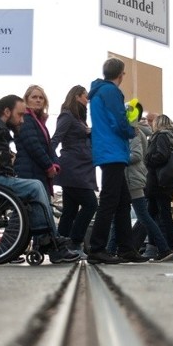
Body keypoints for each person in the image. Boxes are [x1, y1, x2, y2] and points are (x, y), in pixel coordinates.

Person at [0, 94, 79, 264]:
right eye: (20, 115)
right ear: (7, 112)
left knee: (34, 195)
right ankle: (50, 241)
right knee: (35, 186)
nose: (22, 120)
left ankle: (49, 242)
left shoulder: (0, 129)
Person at [85, 57, 144, 265]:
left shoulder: (98, 92)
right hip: (113, 151)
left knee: (122, 202)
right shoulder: (111, 91)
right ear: (122, 74)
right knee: (110, 201)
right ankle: (98, 249)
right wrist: (131, 130)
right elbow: (118, 120)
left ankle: (126, 248)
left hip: (107, 151)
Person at [110, 102, 173, 262]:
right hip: (132, 178)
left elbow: (137, 154)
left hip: (133, 179)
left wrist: (117, 158)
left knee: (144, 216)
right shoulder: (132, 131)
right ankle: (112, 249)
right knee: (123, 215)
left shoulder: (133, 132)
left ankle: (164, 249)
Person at [51, 85, 97, 253]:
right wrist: (54, 161)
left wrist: (89, 131)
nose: (88, 101)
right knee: (91, 204)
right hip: (73, 168)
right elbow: (55, 140)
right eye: (85, 97)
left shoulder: (79, 119)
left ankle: (61, 246)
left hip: (81, 169)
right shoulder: (67, 116)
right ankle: (75, 242)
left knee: (69, 211)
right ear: (77, 96)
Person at [144, 114, 173, 254]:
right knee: (156, 215)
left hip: (158, 183)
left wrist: (147, 158)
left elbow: (161, 155)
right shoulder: (171, 137)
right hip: (165, 182)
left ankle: (165, 247)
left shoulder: (161, 136)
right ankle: (157, 246)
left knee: (158, 215)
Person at [15, 85, 59, 195]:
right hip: (30, 173)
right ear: (26, 99)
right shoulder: (25, 118)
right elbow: (33, 145)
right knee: (37, 210)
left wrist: (55, 164)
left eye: (41, 98)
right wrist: (49, 166)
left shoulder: (40, 122)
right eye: (34, 97)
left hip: (39, 173)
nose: (38, 100)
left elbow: (48, 147)